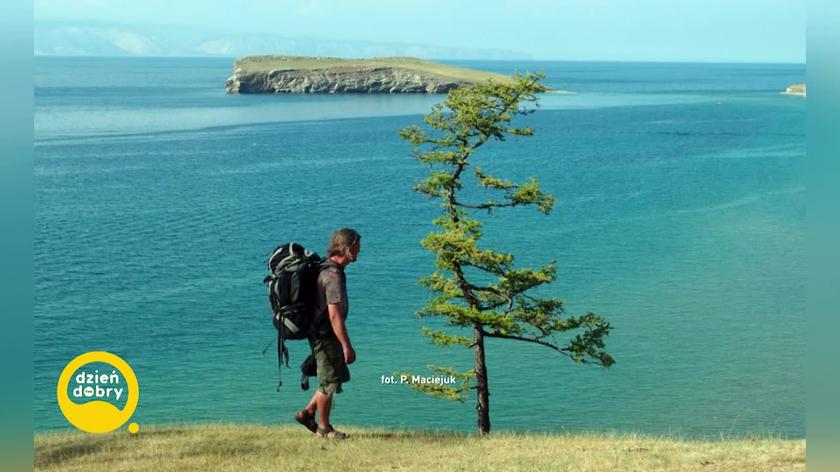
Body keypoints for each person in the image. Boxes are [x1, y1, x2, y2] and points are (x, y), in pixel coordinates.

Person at [295, 228, 360, 440]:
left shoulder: (328, 268)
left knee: (332, 376)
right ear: (347, 248)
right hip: (325, 334)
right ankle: (324, 429)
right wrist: (346, 345)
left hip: (320, 332)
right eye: (357, 246)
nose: (359, 251)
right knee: (328, 383)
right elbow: (334, 315)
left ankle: (307, 413)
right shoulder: (332, 275)